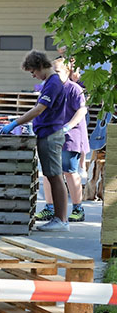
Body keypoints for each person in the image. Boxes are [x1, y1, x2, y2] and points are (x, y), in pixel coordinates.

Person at [1, 50, 70, 231]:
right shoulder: (49, 82)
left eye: (33, 71)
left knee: (55, 176)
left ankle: (61, 220)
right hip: (46, 133)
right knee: (51, 175)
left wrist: (15, 123)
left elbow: (38, 109)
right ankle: (59, 218)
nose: (33, 75)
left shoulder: (53, 83)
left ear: (40, 66)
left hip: (50, 135)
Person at [36, 56, 90, 223]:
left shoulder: (73, 89)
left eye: (58, 71)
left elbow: (82, 111)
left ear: (67, 72)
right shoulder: (50, 87)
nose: (55, 75)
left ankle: (77, 209)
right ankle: (49, 208)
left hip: (70, 137)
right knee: (48, 173)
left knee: (69, 172)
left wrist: (67, 126)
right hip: (51, 136)